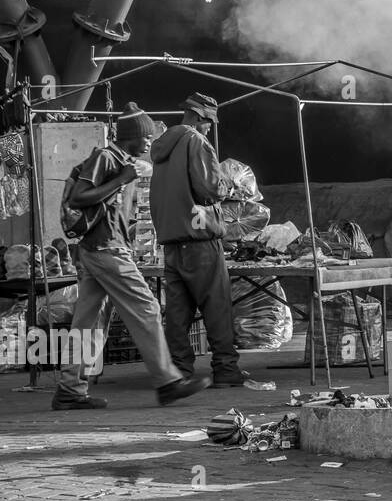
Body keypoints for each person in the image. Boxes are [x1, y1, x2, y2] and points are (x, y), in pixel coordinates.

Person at [52, 103, 211, 410]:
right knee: (147, 308)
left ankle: (70, 389)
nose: (150, 142)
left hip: (100, 251)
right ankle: (167, 382)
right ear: (132, 137)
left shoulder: (124, 162)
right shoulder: (106, 158)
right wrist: (121, 179)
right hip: (105, 250)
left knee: (88, 323)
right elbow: (78, 197)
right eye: (146, 137)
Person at [151, 92, 248, 387]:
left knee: (177, 314)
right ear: (196, 116)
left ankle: (179, 372)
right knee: (216, 306)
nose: (209, 127)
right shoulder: (195, 140)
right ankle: (226, 370)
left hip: (171, 243)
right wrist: (228, 184)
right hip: (200, 240)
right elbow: (209, 189)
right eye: (207, 122)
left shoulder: (161, 146)